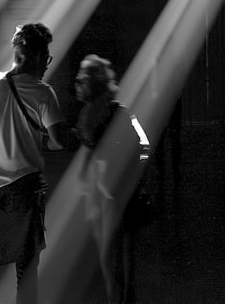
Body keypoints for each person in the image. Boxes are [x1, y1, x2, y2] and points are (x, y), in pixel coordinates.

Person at [0, 22, 79, 304]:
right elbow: (59, 141)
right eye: (46, 58)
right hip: (25, 193)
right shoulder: (42, 93)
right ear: (36, 56)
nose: (47, 65)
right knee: (26, 273)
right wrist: (35, 139)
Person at [75, 54, 151, 304]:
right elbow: (145, 146)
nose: (77, 84)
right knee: (125, 256)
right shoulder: (121, 112)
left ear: (94, 85)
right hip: (120, 191)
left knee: (110, 261)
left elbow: (93, 155)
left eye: (82, 81)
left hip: (107, 196)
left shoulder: (90, 117)